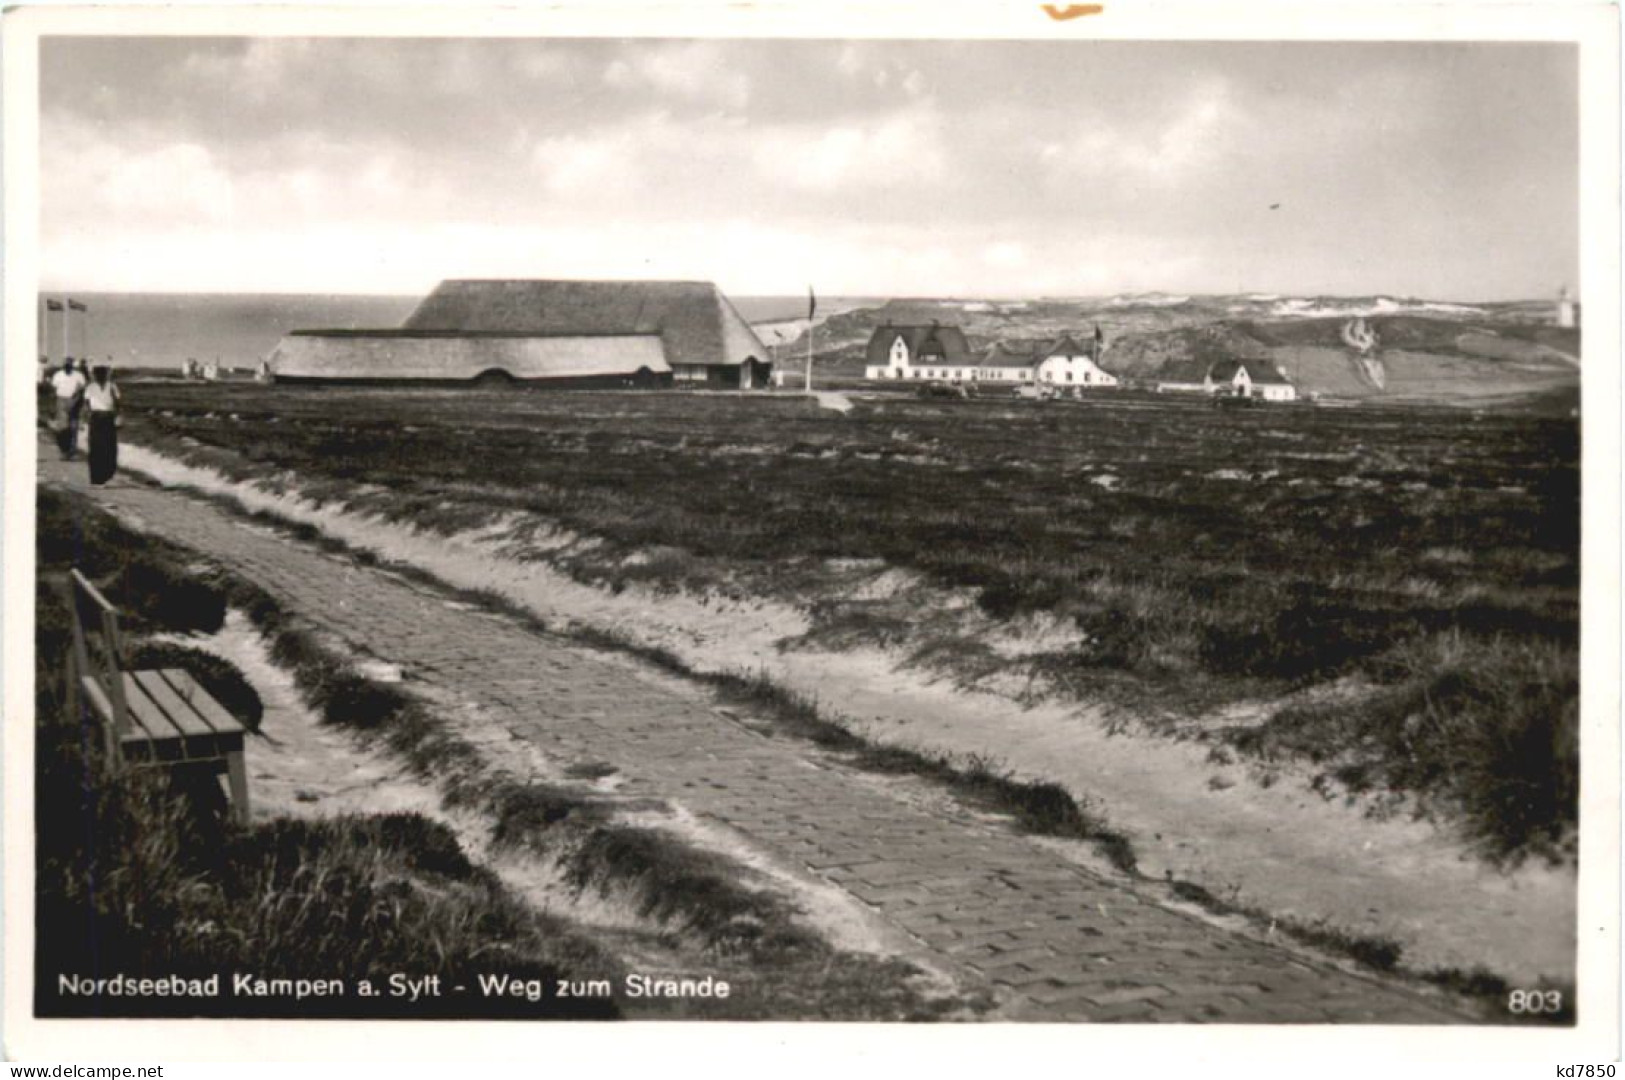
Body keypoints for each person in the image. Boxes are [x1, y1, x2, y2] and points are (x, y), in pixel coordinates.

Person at [83, 365, 121, 485]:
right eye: (97, 374)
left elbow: (118, 402)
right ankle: (96, 478)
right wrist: (86, 417)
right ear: (94, 375)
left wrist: (118, 416)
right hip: (96, 417)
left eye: (102, 373)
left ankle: (108, 473)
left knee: (110, 447)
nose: (100, 376)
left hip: (108, 417)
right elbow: (87, 403)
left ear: (106, 374)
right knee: (95, 447)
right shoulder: (91, 387)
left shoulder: (112, 386)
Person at [49, 358, 86, 460]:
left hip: (75, 400)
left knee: (73, 427)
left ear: (72, 365)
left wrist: (76, 400)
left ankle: (72, 452)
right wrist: (53, 406)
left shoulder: (79, 375)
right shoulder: (58, 375)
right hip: (61, 400)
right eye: (66, 365)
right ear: (63, 366)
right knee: (62, 428)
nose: (67, 367)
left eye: (69, 365)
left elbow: (82, 388)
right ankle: (64, 451)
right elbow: (54, 389)